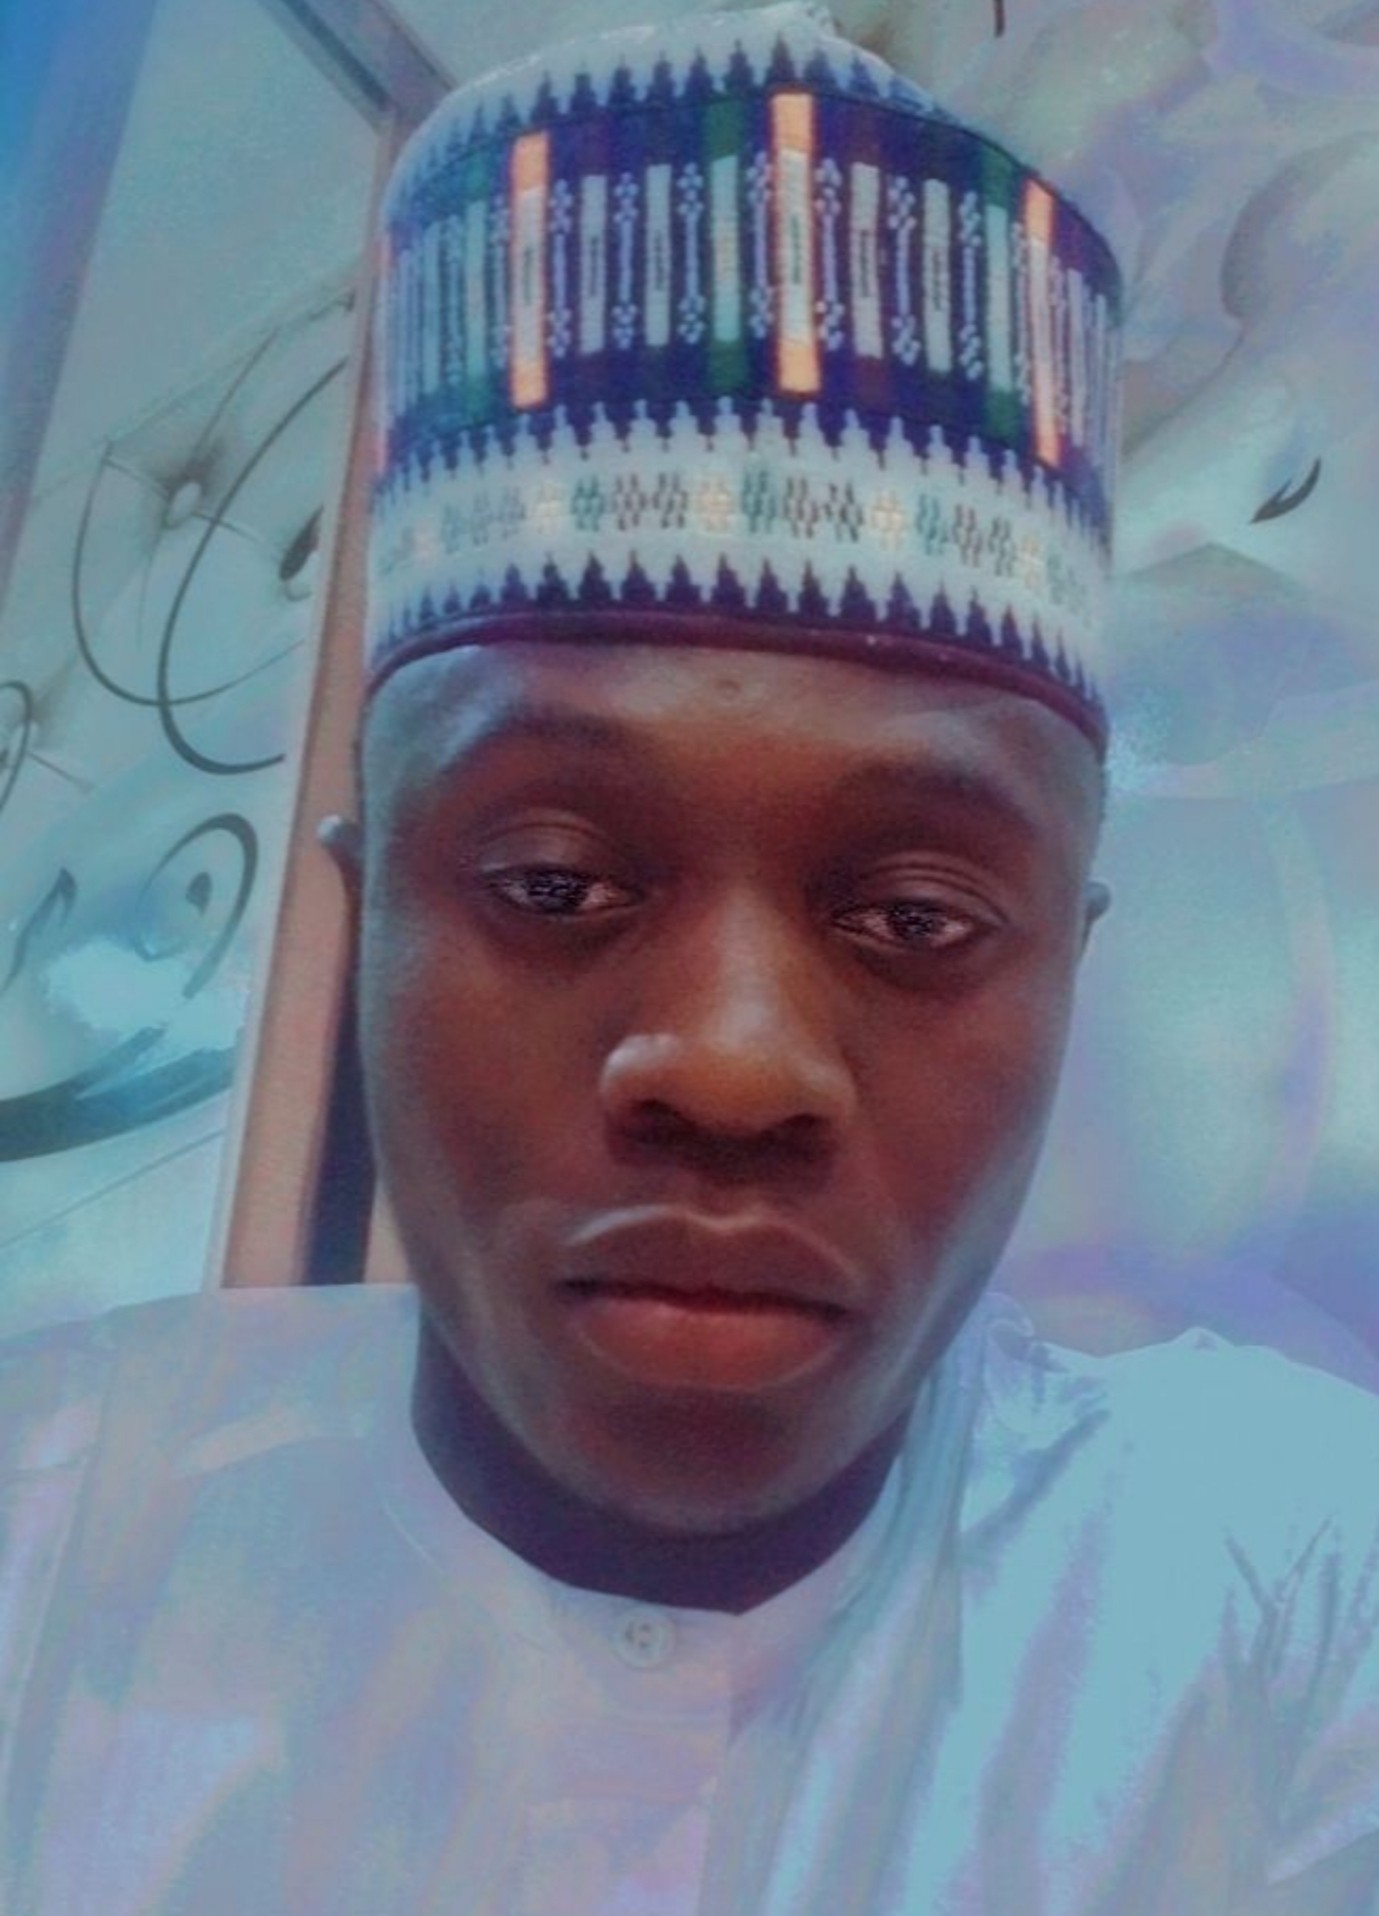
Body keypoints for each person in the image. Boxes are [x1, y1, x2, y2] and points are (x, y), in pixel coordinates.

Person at [2, 7, 1377, 1912]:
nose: (730, 1067)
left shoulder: (1293, 1592)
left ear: (1069, 967)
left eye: (917, 921)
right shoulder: (45, 1538)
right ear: (364, 906)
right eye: (554, 882)